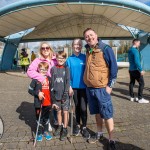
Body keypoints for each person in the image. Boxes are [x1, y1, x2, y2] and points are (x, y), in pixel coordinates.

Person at [83, 28, 118, 150]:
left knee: (107, 114)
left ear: (96, 35)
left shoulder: (106, 49)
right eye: (86, 36)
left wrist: (110, 86)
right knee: (97, 113)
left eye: (91, 35)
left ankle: (111, 139)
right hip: (90, 89)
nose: (89, 37)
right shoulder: (87, 50)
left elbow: (114, 69)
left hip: (102, 89)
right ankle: (99, 133)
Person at [27, 42, 58, 127]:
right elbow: (29, 72)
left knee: (56, 103)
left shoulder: (56, 59)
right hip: (45, 87)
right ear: (40, 50)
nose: (45, 50)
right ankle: (45, 124)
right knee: (46, 105)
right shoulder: (37, 60)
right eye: (43, 48)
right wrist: (42, 78)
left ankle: (56, 120)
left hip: (57, 86)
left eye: (47, 48)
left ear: (50, 49)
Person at [66, 39, 90, 139]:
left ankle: (84, 127)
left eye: (79, 44)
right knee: (77, 106)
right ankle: (77, 125)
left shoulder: (85, 58)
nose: (78, 46)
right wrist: (69, 86)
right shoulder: (69, 60)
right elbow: (67, 75)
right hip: (74, 88)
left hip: (84, 87)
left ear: (81, 46)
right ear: (72, 46)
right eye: (76, 44)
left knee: (84, 108)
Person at [28, 62, 53, 141]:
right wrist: (37, 93)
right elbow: (30, 90)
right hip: (39, 104)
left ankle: (45, 132)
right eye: (41, 69)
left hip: (48, 103)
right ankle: (39, 133)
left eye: (45, 69)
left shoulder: (49, 79)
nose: (43, 71)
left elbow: (52, 90)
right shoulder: (35, 79)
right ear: (38, 69)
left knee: (46, 118)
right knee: (39, 118)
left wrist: (53, 101)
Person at [51, 51, 70, 141]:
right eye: (59, 58)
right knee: (58, 112)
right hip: (56, 95)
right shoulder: (53, 69)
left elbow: (67, 82)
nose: (60, 59)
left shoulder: (66, 68)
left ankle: (65, 129)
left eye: (62, 58)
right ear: (56, 58)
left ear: (65, 59)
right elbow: (51, 83)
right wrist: (53, 96)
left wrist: (65, 94)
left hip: (64, 95)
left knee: (65, 112)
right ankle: (59, 126)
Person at [128, 39, 149, 103]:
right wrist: (141, 70)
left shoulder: (130, 50)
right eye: (139, 43)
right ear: (135, 42)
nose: (139, 44)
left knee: (132, 83)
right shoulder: (135, 51)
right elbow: (137, 61)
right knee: (142, 83)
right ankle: (140, 99)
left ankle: (131, 97)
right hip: (136, 70)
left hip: (131, 69)